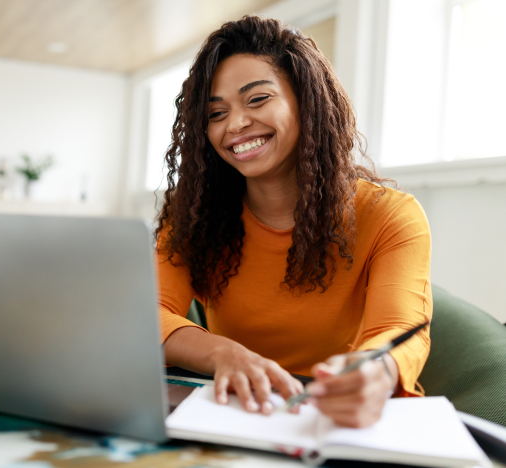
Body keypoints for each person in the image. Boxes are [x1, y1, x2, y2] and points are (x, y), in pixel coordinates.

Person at [155, 16, 431, 428]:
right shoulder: (195, 216)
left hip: (334, 420)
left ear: (306, 100)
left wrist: (378, 370)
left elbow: (400, 329)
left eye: (257, 99)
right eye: (216, 113)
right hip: (234, 413)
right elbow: (148, 314)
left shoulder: (390, 215)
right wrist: (222, 353)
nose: (235, 124)